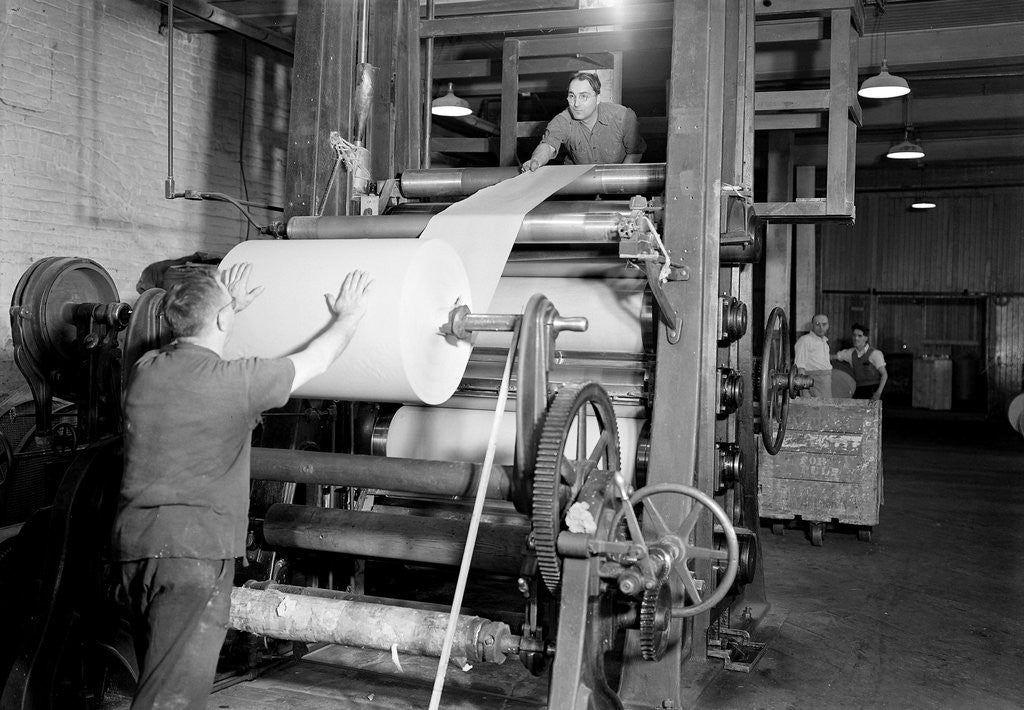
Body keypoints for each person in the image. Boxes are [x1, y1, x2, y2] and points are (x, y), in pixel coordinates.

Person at [111, 262, 372, 709]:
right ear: (220, 320)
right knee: (171, 699)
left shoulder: (145, 370)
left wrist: (225, 311)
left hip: (136, 550)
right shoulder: (239, 383)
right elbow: (319, 359)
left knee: (158, 676)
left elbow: (199, 353)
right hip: (194, 558)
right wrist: (348, 316)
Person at [521, 72, 646, 172]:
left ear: (598, 99)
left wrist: (618, 181)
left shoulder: (622, 117)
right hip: (580, 183)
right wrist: (536, 161)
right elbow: (548, 146)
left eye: (583, 96)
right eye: (572, 96)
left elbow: (635, 152)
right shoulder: (562, 120)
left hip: (618, 181)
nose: (576, 104)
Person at [835, 323, 888, 401]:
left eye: (860, 336)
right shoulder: (850, 353)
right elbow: (834, 356)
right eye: (854, 335)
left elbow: (884, 374)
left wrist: (878, 393)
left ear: (866, 338)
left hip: (874, 389)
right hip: (859, 388)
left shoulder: (875, 353)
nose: (856, 338)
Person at [794, 314, 833, 400]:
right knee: (813, 410)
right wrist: (804, 391)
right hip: (812, 382)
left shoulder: (825, 342)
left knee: (826, 409)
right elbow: (800, 367)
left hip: (825, 382)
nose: (821, 327)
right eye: (817, 324)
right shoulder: (804, 341)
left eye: (824, 324)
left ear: (828, 326)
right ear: (812, 325)